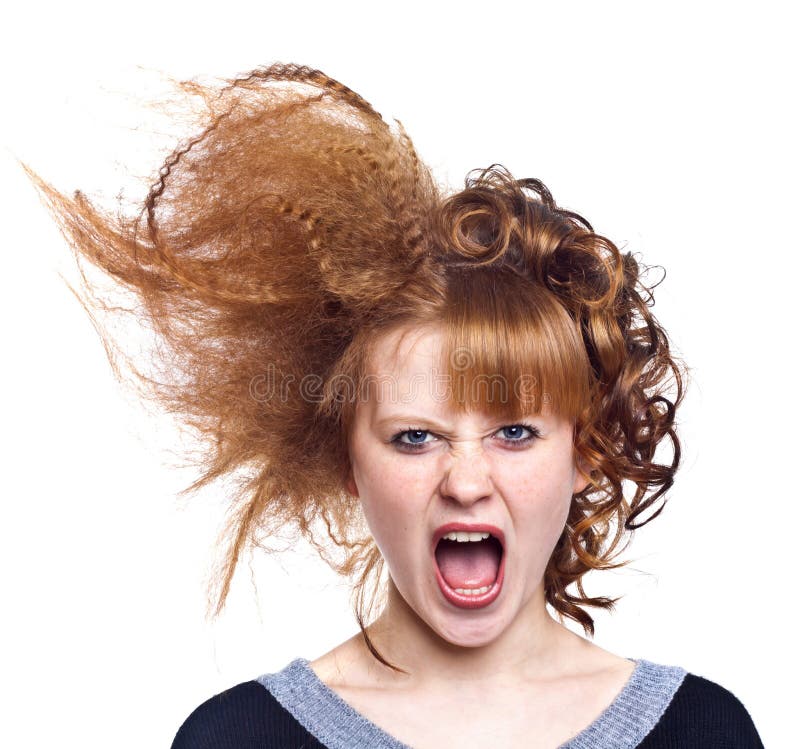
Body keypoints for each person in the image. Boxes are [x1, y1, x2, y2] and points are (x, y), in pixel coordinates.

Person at [26, 62, 764, 748]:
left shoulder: (704, 731)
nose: (467, 481)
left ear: (585, 448)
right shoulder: (238, 738)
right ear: (347, 460)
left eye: (514, 430)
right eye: (415, 437)